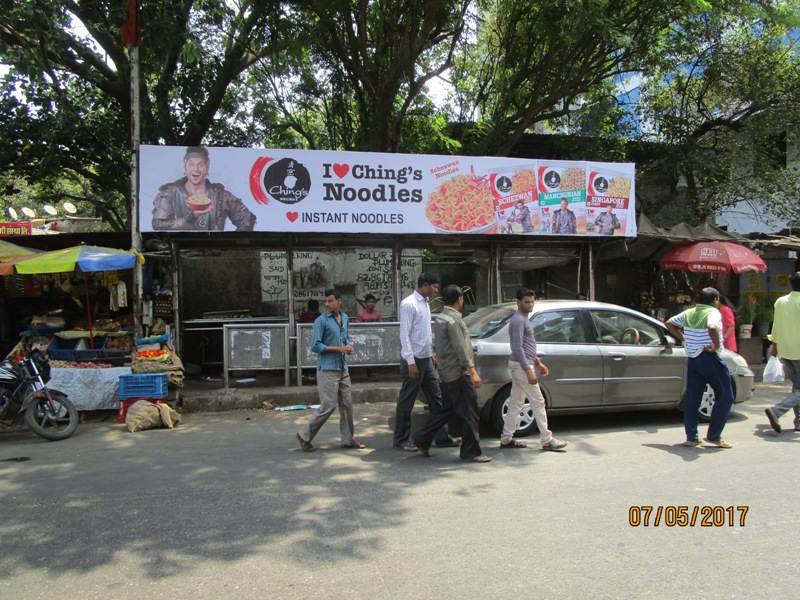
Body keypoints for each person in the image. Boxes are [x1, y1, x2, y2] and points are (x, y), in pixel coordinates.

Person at [411, 285, 490, 463]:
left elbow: (450, 346)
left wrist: (470, 351)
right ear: (460, 299)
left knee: (446, 410)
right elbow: (459, 347)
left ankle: (421, 439)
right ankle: (471, 451)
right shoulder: (453, 320)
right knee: (469, 413)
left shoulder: (440, 318)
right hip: (458, 374)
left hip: (446, 372)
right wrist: (472, 371)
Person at [393, 273, 460, 452]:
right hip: (413, 359)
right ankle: (401, 439)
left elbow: (424, 331)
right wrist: (410, 361)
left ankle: (442, 437)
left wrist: (431, 353)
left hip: (426, 359)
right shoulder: (409, 304)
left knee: (437, 399)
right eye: (434, 287)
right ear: (424, 285)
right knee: (407, 401)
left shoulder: (425, 303)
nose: (436, 290)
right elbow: (404, 334)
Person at [296, 288, 365, 452]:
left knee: (347, 405)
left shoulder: (345, 318)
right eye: (325, 301)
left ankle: (348, 439)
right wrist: (339, 349)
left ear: (338, 302)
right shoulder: (321, 321)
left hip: (343, 368)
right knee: (328, 405)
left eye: (330, 301)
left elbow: (345, 337)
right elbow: (315, 346)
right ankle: (304, 435)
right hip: (327, 368)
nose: (327, 304)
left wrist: (348, 347)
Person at [666, 287, 734, 448]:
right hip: (708, 357)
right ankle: (714, 436)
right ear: (715, 299)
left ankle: (692, 437)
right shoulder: (713, 312)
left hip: (693, 359)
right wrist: (716, 346)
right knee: (725, 395)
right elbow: (712, 327)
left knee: (693, 398)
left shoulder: (690, 312)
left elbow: (669, 323)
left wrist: (684, 339)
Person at [502, 288, 568, 451]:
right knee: (538, 401)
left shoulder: (524, 319)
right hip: (521, 366)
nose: (530, 304)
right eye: (527, 302)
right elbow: (517, 347)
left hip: (522, 365)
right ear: (518, 303)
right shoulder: (518, 320)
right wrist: (529, 369)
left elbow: (527, 347)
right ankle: (547, 439)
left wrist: (537, 363)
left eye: (532, 301)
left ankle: (506, 438)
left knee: (516, 403)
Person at [152, 146, 257, 231]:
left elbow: (247, 219)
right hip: (180, 250)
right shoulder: (170, 192)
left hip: (216, 251)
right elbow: (158, 224)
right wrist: (190, 218)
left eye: (200, 165)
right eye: (191, 164)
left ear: (207, 169)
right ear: (185, 168)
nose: (196, 169)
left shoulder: (221, 195)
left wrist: (230, 243)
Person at [764, 272, 800, 433]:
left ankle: (798, 421)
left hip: (785, 350)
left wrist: (775, 347)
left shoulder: (781, 301)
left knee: (797, 387)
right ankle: (777, 410)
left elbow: (775, 327)